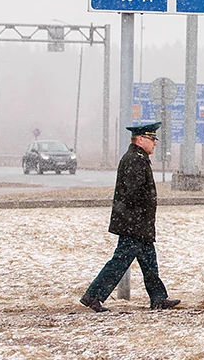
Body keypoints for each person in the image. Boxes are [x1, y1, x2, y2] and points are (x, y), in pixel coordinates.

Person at [80, 122, 180, 312]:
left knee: (149, 262)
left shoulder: (138, 158)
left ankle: (158, 298)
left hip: (137, 224)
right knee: (120, 262)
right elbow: (133, 195)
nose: (155, 143)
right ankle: (93, 295)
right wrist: (140, 220)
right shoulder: (135, 160)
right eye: (152, 139)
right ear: (140, 139)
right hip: (134, 225)